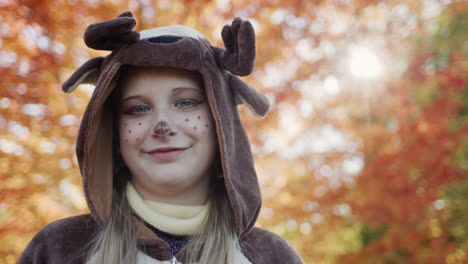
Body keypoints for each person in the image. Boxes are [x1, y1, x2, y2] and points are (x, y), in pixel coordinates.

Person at [17, 11, 304, 264]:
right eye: (138, 109)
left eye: (186, 103)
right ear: (113, 132)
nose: (162, 125)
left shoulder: (272, 256)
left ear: (222, 121)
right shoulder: (57, 249)